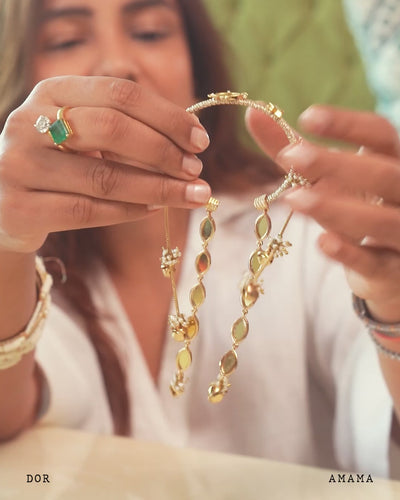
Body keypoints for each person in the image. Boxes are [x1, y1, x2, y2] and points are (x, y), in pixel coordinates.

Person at [1, 0, 400, 478]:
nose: (118, 64)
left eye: (150, 32)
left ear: (197, 65)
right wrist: (7, 243)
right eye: (66, 40)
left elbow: (381, 423)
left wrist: (392, 305)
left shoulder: (301, 228)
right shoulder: (21, 260)